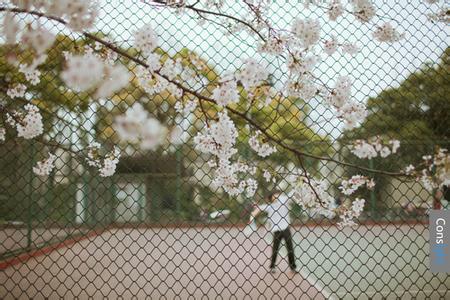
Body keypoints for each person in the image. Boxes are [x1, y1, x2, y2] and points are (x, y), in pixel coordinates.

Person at [251, 190, 297, 274]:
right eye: (274, 195)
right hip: (276, 231)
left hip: (286, 229)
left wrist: (298, 185)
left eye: (278, 194)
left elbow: (291, 194)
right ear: (271, 198)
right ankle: (272, 266)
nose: (277, 195)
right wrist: (252, 215)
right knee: (275, 249)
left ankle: (293, 267)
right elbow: (259, 208)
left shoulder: (284, 201)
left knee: (290, 249)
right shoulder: (270, 207)